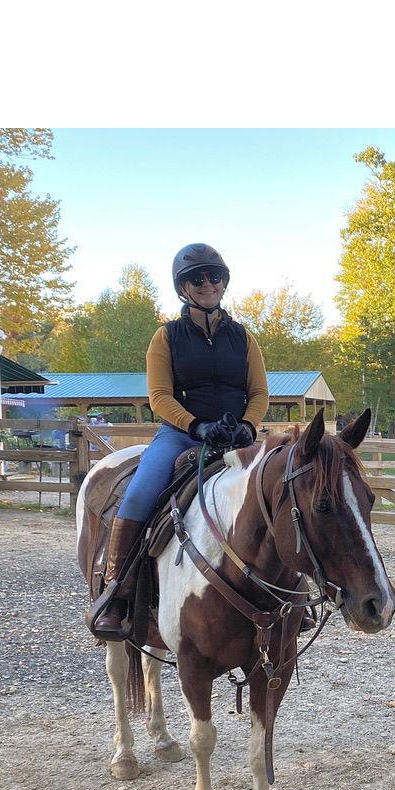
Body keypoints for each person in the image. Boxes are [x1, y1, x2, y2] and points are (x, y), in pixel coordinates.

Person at [88, 243, 268, 639]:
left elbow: (258, 392)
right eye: (196, 278)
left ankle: (291, 591)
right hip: (181, 435)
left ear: (224, 282)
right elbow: (159, 396)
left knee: (277, 490)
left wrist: (248, 426)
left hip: (235, 437)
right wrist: (195, 426)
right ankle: (117, 595)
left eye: (214, 276)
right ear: (183, 287)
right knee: (139, 494)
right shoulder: (165, 337)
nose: (207, 284)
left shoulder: (244, 338)